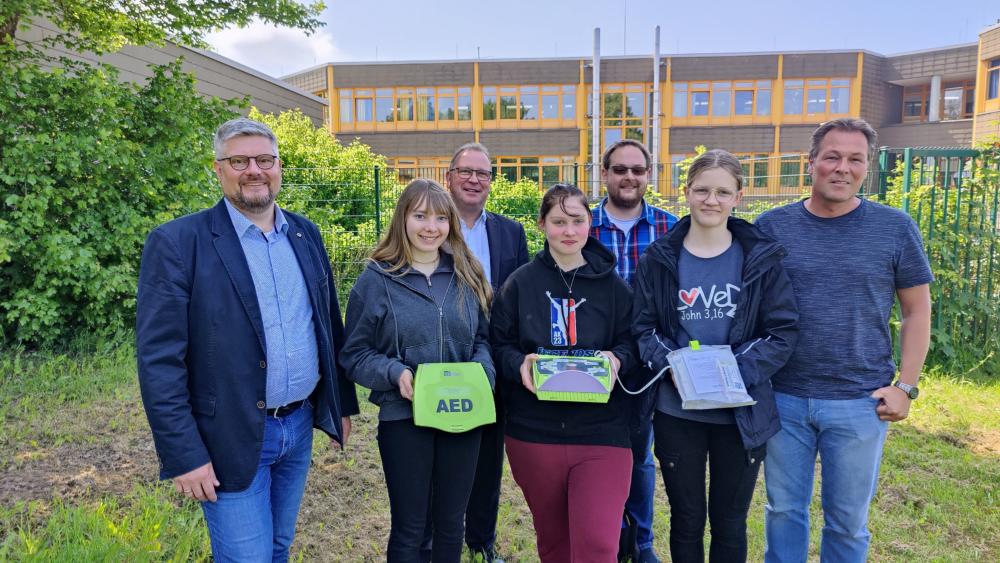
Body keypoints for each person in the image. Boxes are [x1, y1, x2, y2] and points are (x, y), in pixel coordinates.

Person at [135, 117, 358, 561]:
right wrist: (184, 454)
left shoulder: (305, 233)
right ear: (219, 169)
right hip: (229, 435)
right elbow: (159, 361)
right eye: (239, 161)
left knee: (277, 546)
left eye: (264, 160)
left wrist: (341, 405)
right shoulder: (179, 243)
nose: (254, 170)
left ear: (279, 167)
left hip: (298, 425)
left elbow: (328, 324)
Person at [756, 118, 933, 563]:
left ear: (867, 167)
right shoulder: (771, 226)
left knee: (848, 523)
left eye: (855, 159)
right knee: (783, 511)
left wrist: (906, 386)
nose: (842, 168)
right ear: (810, 162)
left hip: (860, 400)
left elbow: (917, 311)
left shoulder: (894, 227)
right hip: (783, 396)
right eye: (832, 156)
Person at [632, 149, 798, 562]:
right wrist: (675, 366)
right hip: (678, 412)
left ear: (739, 196)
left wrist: (732, 371)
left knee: (730, 521)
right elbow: (643, 329)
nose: (712, 200)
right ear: (686, 192)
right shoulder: (659, 257)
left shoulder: (760, 258)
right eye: (702, 190)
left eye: (723, 192)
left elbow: (782, 332)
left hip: (740, 414)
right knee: (687, 518)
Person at [341, 179, 495, 563]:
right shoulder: (377, 280)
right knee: (410, 527)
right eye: (421, 216)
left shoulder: (467, 272)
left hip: (462, 413)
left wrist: (483, 372)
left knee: (451, 524)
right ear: (402, 219)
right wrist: (393, 372)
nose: (431, 227)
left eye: (441, 218)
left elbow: (483, 339)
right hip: (404, 417)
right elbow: (354, 353)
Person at [491, 184, 637, 562]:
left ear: (590, 222)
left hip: (602, 432)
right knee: (556, 545)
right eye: (558, 222)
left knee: (598, 545)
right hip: (535, 432)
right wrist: (518, 363)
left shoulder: (614, 287)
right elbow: (498, 344)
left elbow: (633, 342)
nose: (568, 231)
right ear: (542, 224)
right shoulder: (520, 283)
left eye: (577, 220)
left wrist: (617, 359)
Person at [590, 139, 677, 563]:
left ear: (648, 175)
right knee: (596, 452)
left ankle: (641, 542)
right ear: (604, 173)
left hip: (647, 359)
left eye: (637, 170)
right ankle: (604, 537)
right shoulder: (582, 224)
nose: (629, 177)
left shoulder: (670, 227)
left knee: (640, 455)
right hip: (592, 357)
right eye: (620, 169)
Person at [445, 142, 529, 562]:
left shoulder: (511, 232)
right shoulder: (430, 224)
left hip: (492, 358)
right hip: (441, 355)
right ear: (449, 177)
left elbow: (521, 297)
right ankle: (439, 539)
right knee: (441, 453)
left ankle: (481, 541)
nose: (474, 180)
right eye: (466, 171)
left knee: (488, 455)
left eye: (483, 173)